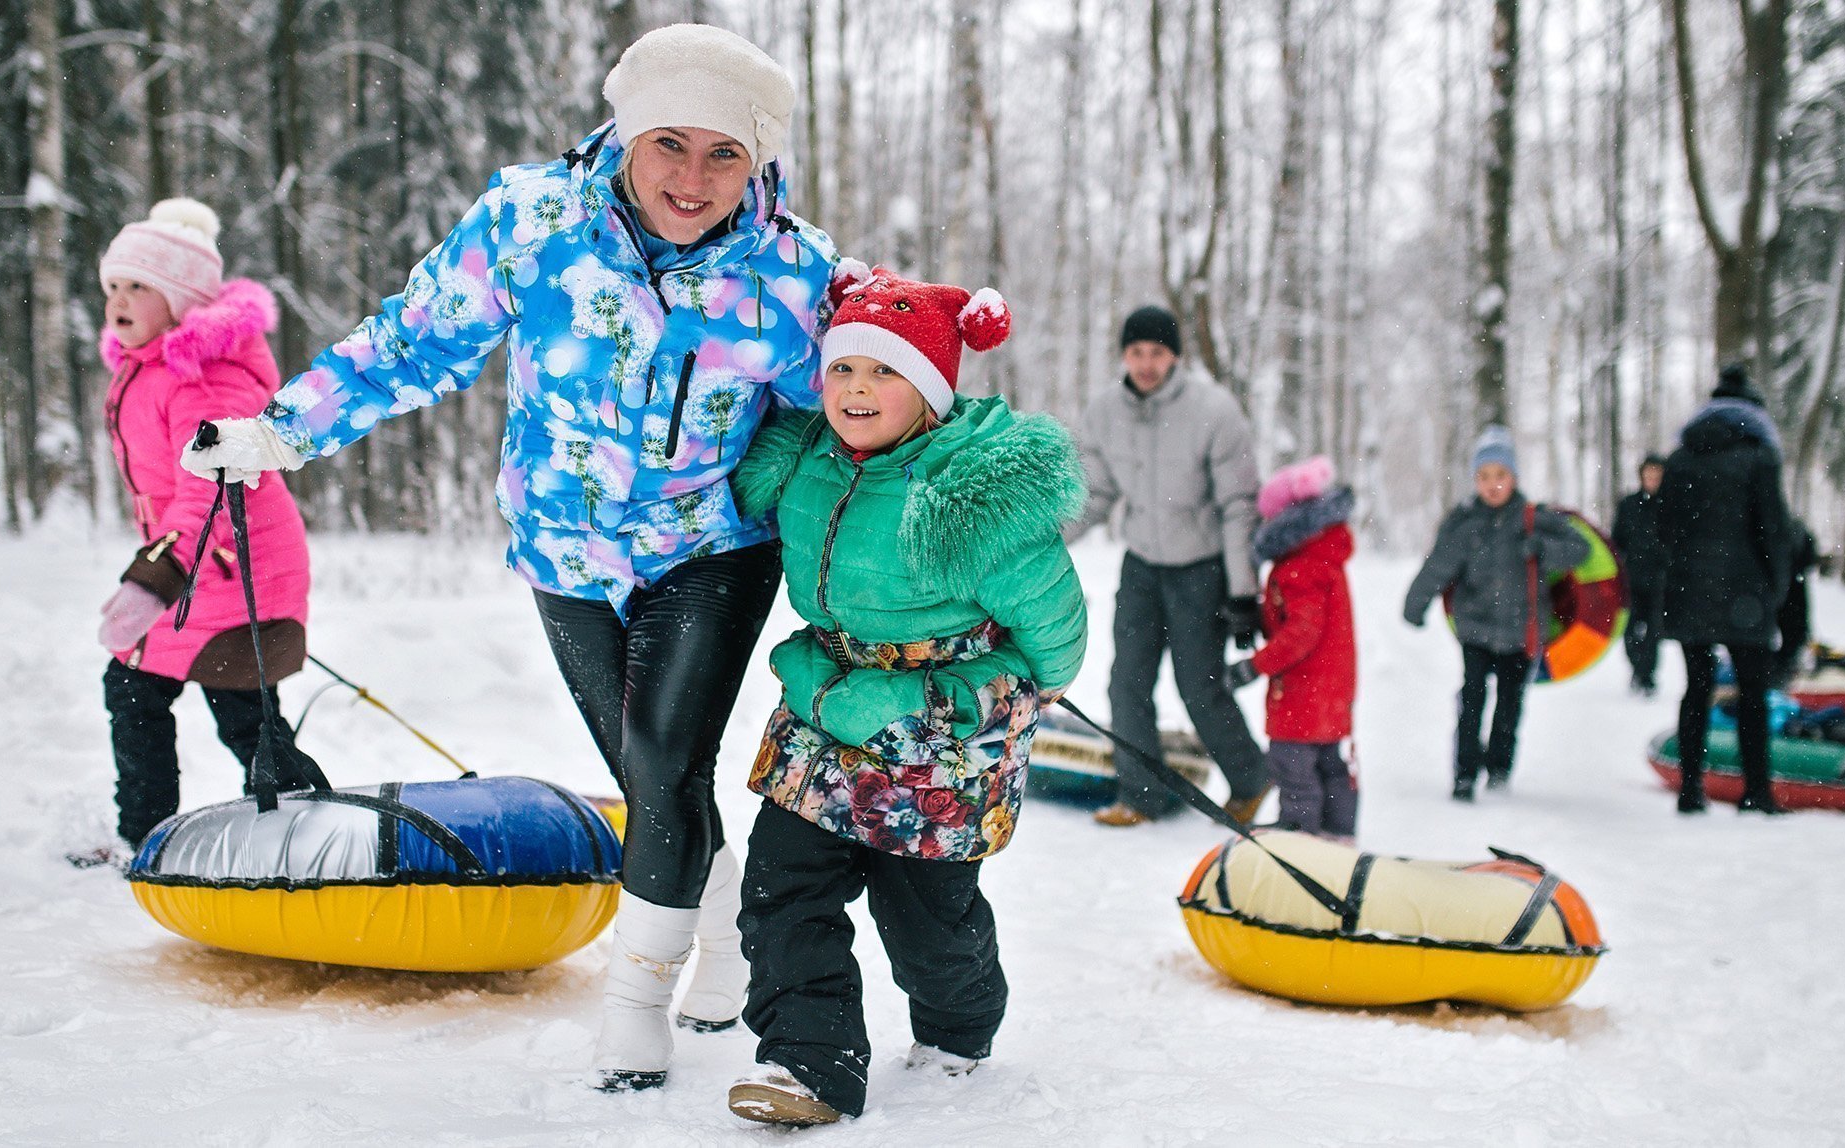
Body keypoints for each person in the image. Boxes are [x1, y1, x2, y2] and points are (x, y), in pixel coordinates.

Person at [179, 24, 839, 1090]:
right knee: (647, 767)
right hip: (565, 548)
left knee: (668, 759)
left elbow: (854, 418)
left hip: (711, 543)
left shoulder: (796, 272)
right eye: (670, 142)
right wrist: (281, 429)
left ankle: (634, 1007)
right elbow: (416, 339)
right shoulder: (535, 223)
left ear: (757, 161)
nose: (694, 177)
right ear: (627, 132)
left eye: (726, 154)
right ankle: (717, 924)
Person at [722, 267, 1087, 1125]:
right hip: (827, 705)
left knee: (924, 913)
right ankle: (807, 1063)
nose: (858, 389)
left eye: (886, 372)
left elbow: (1052, 621)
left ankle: (961, 1025)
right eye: (844, 368)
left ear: (928, 389)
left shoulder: (968, 492)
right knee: (782, 885)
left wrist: (1016, 689)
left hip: (937, 728)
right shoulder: (807, 458)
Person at [76, 198, 312, 869]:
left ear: (181, 302)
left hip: (236, 564)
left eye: (138, 287)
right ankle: (153, 833)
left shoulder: (204, 378)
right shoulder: (149, 368)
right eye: (112, 286)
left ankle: (285, 826)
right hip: (198, 561)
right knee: (155, 689)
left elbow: (205, 492)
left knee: (229, 704)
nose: (117, 300)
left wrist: (153, 577)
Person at [1065, 305, 1265, 826]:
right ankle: (1140, 796)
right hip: (1142, 566)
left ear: (1174, 356)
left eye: (1157, 352)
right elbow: (1095, 492)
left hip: (1201, 569)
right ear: (1124, 355)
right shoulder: (1106, 412)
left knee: (1199, 684)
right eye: (1136, 352)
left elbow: (1239, 505)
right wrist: (1042, 540)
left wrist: (1244, 591)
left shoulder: (1214, 410)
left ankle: (1251, 779)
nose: (1146, 363)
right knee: (1126, 680)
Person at [1403, 426, 1588, 800]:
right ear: (1475, 480)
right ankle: (1465, 773)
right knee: (1471, 700)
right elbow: (1439, 565)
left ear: (1514, 478)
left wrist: (1541, 547)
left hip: (1522, 631)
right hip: (1475, 627)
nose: (1492, 484)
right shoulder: (1465, 522)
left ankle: (1500, 766)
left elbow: (1580, 549)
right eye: (1484, 477)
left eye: (1500, 476)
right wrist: (1415, 603)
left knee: (1509, 703)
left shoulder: (1533, 519)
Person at [1658, 364, 1793, 815]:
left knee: (1696, 689)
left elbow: (1664, 529)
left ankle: (1690, 789)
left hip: (1689, 591)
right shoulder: (1760, 457)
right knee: (1753, 693)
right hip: (1745, 595)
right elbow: (1773, 530)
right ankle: (1756, 791)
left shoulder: (1679, 458)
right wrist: (1776, 589)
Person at [1229, 456, 1357, 840]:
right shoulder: (1322, 556)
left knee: (1291, 762)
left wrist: (1256, 665)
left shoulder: (1298, 567)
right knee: (1329, 762)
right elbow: (1309, 621)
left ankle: (1298, 835)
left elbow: (1301, 632)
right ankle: (1338, 830)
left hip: (1304, 687)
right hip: (1333, 686)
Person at [1612, 454, 1669, 695]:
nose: (1652, 479)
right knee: (1630, 631)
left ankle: (1647, 676)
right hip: (1632, 579)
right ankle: (1638, 670)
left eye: (1657, 475)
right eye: (1649, 474)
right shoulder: (1628, 505)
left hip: (1660, 581)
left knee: (1654, 632)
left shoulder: (1671, 507)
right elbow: (1617, 542)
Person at [1775, 517, 1821, 683]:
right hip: (1786, 587)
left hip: (1784, 586)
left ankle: (1782, 675)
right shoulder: (1791, 529)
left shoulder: (1787, 529)